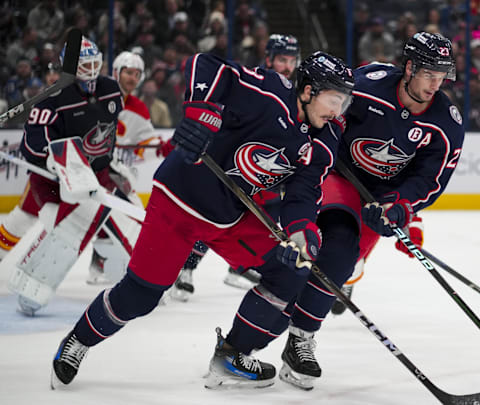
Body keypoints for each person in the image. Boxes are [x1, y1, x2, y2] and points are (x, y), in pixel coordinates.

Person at [50, 50, 354, 389]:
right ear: (309, 90)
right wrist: (200, 115)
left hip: (229, 215)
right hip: (178, 201)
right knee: (141, 295)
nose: (337, 111)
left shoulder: (325, 136)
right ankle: (78, 341)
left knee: (290, 271)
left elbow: (303, 192)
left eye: (344, 102)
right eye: (334, 99)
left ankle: (231, 355)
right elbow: (205, 64)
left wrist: (303, 232)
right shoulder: (269, 92)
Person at [215, 31, 464, 390]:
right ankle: (250, 348)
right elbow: (327, 118)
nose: (435, 84)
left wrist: (401, 206)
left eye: (442, 76)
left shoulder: (446, 122)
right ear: (409, 67)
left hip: (383, 198)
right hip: (338, 175)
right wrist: (322, 154)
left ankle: (292, 340)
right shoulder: (367, 86)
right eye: (428, 74)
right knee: (333, 248)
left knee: (337, 269)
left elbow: (431, 179)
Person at [169, 34, 302, 301]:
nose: (287, 66)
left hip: (264, 170)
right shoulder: (254, 81)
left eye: (291, 60)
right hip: (233, 162)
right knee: (212, 216)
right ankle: (185, 269)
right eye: (281, 60)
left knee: (265, 218)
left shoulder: (294, 93)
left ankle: (238, 266)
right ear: (268, 59)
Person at [3, 36, 125, 315]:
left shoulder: (109, 88)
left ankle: (120, 273)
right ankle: (27, 282)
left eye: (96, 62)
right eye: (85, 65)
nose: (93, 70)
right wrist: (53, 159)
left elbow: (109, 127)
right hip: (51, 182)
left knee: (112, 221)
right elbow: (31, 145)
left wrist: (110, 158)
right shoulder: (50, 100)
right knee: (35, 223)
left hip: (96, 176)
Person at [86, 50, 159, 285]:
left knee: (127, 215)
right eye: (128, 72)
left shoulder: (138, 108)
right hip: (89, 168)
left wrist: (165, 147)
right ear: (116, 72)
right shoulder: (96, 97)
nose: (132, 78)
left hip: (115, 172)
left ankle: (104, 264)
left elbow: (148, 145)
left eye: (137, 74)